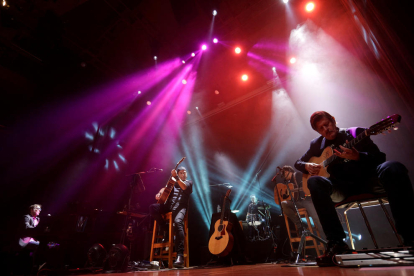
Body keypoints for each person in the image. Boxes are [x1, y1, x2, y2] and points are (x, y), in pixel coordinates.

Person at [294, 111, 414, 266]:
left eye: (327, 124)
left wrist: (359, 157)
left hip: (369, 181)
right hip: (342, 189)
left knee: (393, 167)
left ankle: (410, 235)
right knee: (315, 182)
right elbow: (298, 162)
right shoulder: (316, 144)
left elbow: (379, 157)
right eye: (321, 128)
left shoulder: (355, 133)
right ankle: (336, 242)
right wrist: (306, 166)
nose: (326, 129)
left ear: (334, 121)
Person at [149, 166, 193, 268]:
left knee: (178, 222)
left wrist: (176, 177)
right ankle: (166, 228)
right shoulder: (174, 181)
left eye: (184, 172)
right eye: (181, 172)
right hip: (169, 207)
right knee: (152, 208)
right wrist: (159, 193)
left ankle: (180, 255)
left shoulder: (188, 182)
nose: (183, 174)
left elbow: (184, 187)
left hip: (181, 207)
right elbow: (165, 187)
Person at [277, 166, 325, 240]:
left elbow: (306, 187)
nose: (283, 176)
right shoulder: (288, 183)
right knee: (284, 204)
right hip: (297, 202)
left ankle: (328, 242)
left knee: (316, 218)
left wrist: (298, 190)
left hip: (306, 200)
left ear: (287, 172)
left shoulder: (298, 175)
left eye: (284, 173)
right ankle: (300, 226)